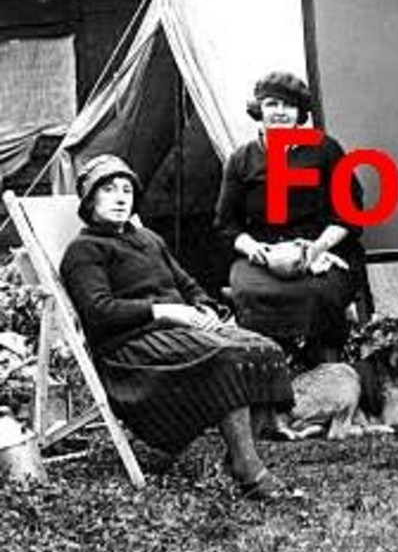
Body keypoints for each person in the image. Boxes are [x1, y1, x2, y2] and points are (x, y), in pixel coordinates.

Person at [59, 155, 296, 500]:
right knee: (228, 358)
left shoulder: (149, 239)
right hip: (132, 350)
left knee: (265, 350)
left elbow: (186, 284)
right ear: (89, 200)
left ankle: (238, 457)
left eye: (127, 190)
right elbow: (100, 312)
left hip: (175, 333)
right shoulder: (84, 251)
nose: (121, 197)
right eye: (108, 190)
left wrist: (205, 308)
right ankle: (250, 470)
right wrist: (163, 311)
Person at [214, 72, 363, 364]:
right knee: (248, 291)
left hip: (324, 250)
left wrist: (316, 248)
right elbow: (225, 223)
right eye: (272, 104)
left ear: (300, 113)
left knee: (319, 294)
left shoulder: (325, 150)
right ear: (259, 110)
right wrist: (255, 249)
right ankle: (269, 371)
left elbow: (349, 213)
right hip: (264, 255)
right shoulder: (242, 160)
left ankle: (328, 367)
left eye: (288, 106)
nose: (280, 113)